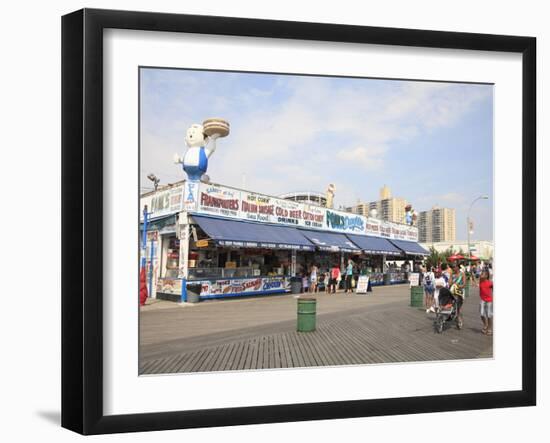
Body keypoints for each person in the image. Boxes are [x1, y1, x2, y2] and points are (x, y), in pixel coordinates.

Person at [450, 263, 466, 328]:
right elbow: (449, 282)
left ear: (458, 267)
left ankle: (459, 320)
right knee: (453, 306)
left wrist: (459, 286)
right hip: (453, 291)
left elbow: (464, 284)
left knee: (459, 307)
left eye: (454, 267)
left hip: (460, 292)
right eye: (452, 267)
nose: (453, 268)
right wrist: (451, 284)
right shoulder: (452, 274)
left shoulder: (462, 274)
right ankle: (456, 317)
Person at [479, 270, 493, 335]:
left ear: (486, 276)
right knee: (482, 314)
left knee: (489, 315)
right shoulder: (480, 281)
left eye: (483, 274)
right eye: (481, 274)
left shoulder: (490, 283)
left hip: (489, 300)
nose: (481, 275)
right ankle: (485, 325)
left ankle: (489, 328)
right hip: (482, 299)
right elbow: (479, 277)